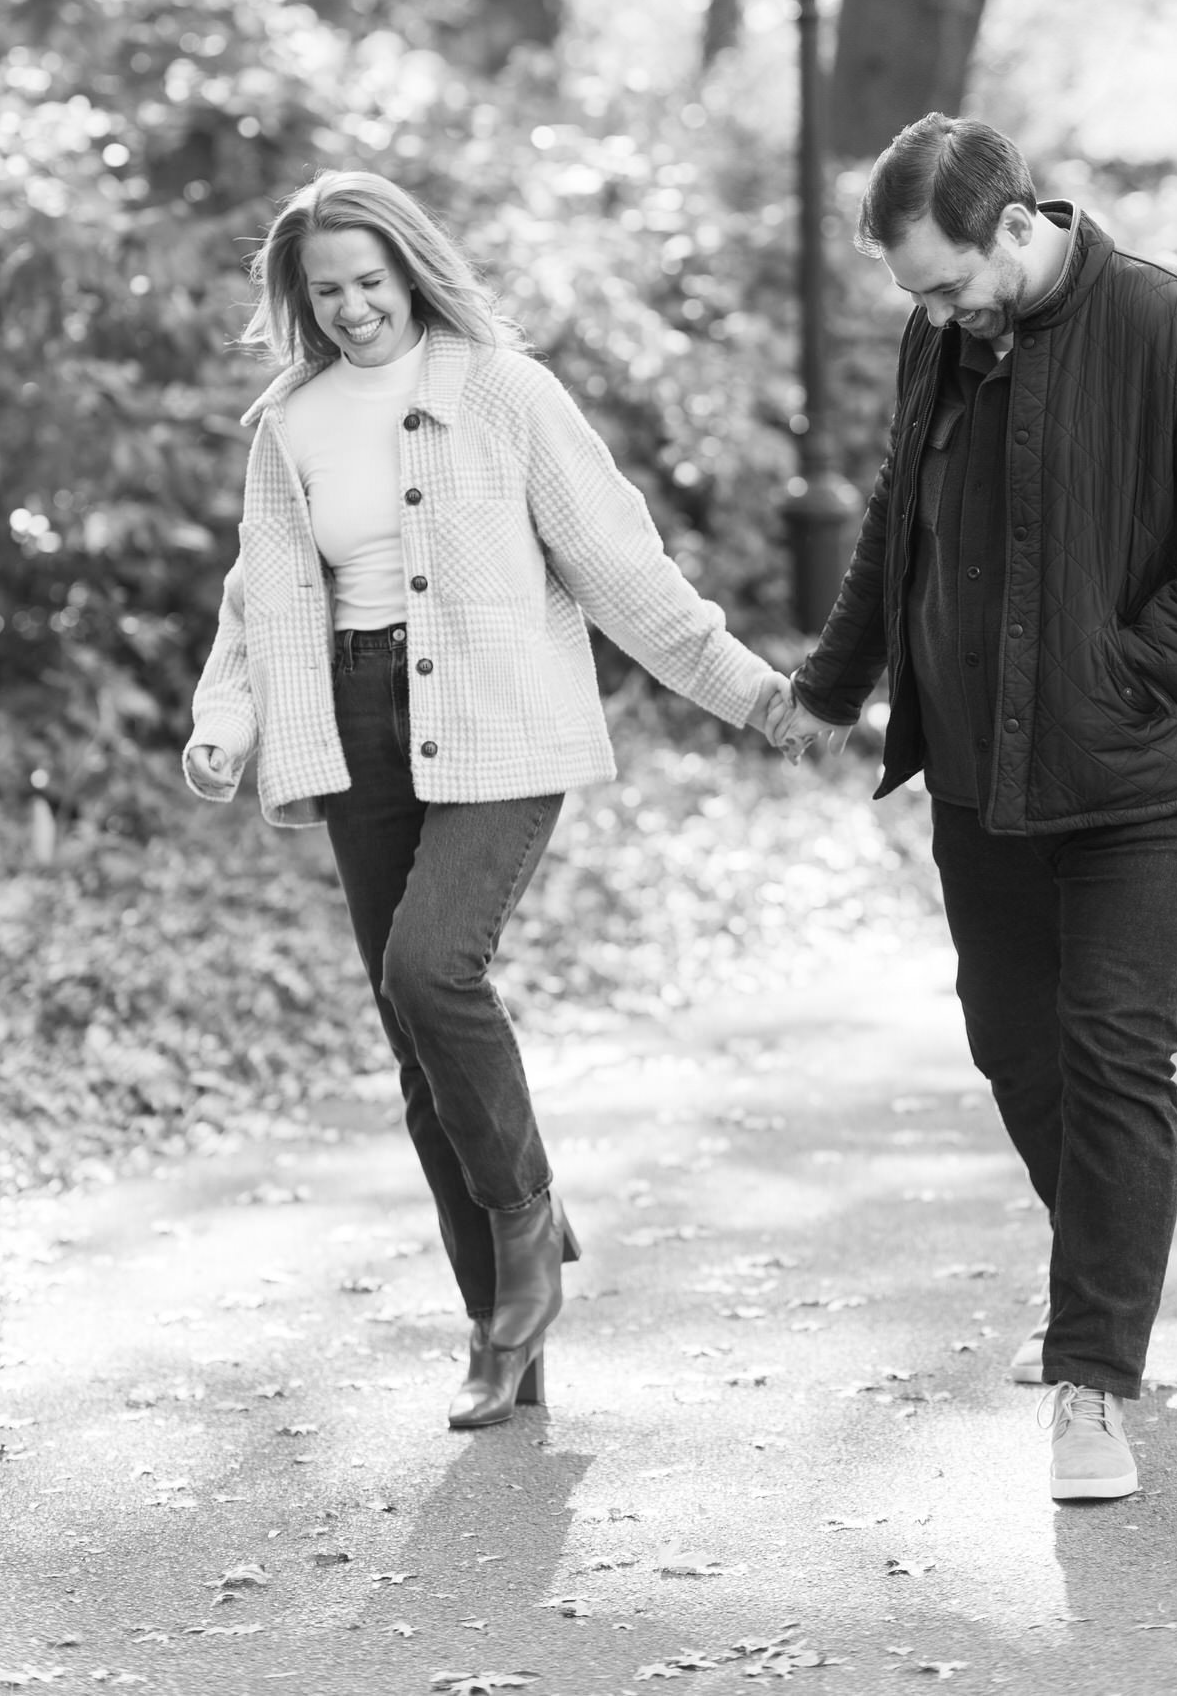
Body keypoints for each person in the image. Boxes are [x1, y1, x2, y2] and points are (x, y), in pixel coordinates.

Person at [184, 169, 792, 1431]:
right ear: (298, 299)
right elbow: (260, 597)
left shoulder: (506, 393)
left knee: (429, 969)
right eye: (326, 291)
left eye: (369, 280)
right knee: (415, 1046)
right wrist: (223, 725)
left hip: (500, 721)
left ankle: (525, 1224)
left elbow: (620, 566)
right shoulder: (289, 423)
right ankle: (499, 1332)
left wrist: (755, 695)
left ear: (411, 271)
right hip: (354, 724)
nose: (352, 308)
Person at [773, 117, 1177, 1502]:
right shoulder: (944, 339)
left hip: (1147, 779)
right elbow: (897, 512)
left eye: (948, 283)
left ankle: (1091, 1378)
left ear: (1015, 224)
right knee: (1012, 1044)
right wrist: (831, 683)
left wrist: (1131, 671)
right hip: (980, 770)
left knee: (1112, 1050)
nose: (933, 313)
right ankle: (1105, 1284)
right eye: (915, 295)